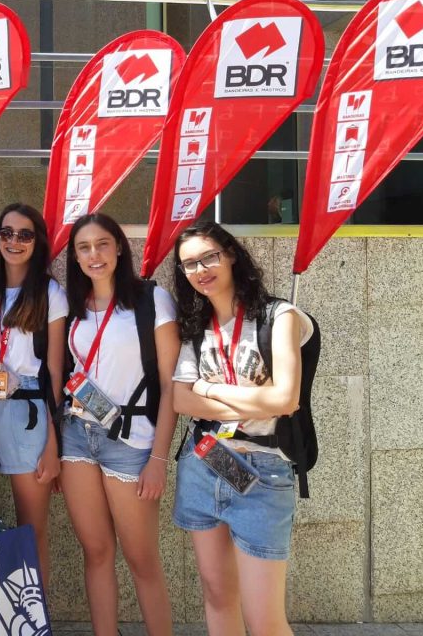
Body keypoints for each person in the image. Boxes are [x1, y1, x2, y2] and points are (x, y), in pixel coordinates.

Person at [170, 220, 313, 636]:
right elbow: (182, 401)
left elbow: (285, 400)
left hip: (264, 472)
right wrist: (250, 397)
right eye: (189, 264)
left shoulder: (278, 315)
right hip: (204, 464)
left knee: (263, 618)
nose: (201, 270)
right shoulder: (195, 327)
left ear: (231, 254)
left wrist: (209, 388)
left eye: (209, 257)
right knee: (217, 597)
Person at [59, 213, 178, 636]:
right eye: (83, 247)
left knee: (141, 558)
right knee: (95, 551)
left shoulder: (152, 301)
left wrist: (160, 458)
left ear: (120, 248)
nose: (94, 255)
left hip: (132, 443)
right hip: (76, 435)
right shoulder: (73, 307)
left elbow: (170, 386)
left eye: (103, 244)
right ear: (74, 257)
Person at [0, 203, 64, 588]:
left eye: (25, 234)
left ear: (37, 242)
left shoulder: (50, 292)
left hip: (29, 414)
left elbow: (55, 370)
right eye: (6, 233)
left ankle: (35, 621)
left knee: (31, 530)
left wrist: (53, 441)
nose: (14, 241)